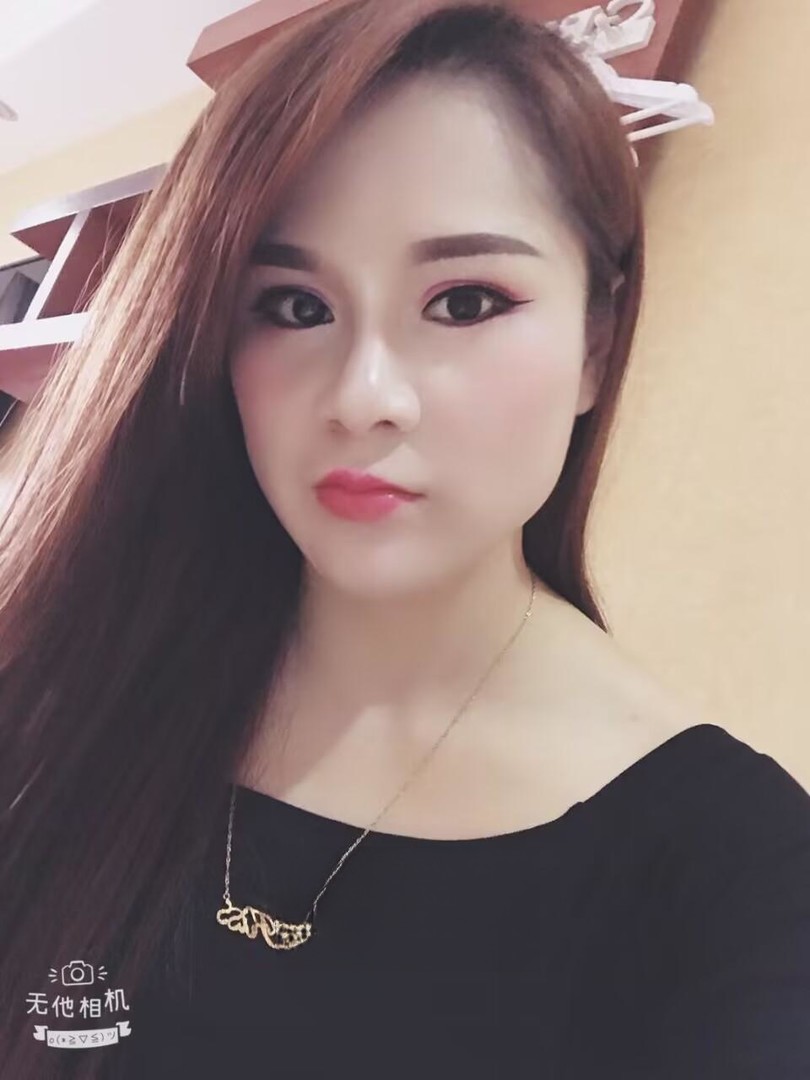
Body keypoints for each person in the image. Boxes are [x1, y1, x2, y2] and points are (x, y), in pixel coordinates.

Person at [1, 1, 809, 1077]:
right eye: (294, 307)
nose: (365, 397)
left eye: (465, 301)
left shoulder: (738, 877)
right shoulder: (78, 673)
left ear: (594, 346)